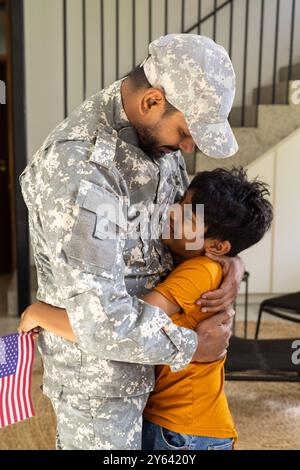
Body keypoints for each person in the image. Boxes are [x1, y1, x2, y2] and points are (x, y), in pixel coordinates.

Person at [18, 34, 244, 450]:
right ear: (152, 101)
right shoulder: (80, 168)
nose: (189, 147)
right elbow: (99, 318)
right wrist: (194, 345)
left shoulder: (157, 139)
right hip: (103, 386)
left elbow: (185, 227)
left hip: (162, 380)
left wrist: (229, 264)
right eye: (186, 132)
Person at [141, 167, 273, 451]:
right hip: (188, 426)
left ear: (217, 246)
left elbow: (133, 321)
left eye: (188, 215)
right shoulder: (205, 264)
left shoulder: (199, 272)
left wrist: (44, 315)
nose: (173, 213)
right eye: (180, 202)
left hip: (182, 431)